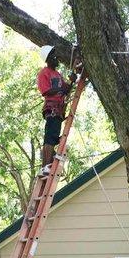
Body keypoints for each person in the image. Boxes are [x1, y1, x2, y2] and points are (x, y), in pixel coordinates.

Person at [37, 45, 77, 176]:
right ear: (48, 59)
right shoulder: (44, 73)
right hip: (52, 108)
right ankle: (45, 166)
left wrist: (71, 81)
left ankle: (50, 161)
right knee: (50, 136)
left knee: (54, 137)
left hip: (59, 109)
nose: (56, 58)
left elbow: (65, 89)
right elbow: (46, 91)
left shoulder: (58, 74)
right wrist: (61, 90)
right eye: (53, 56)